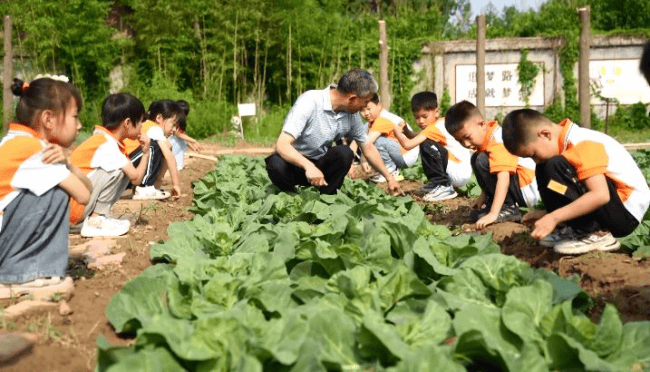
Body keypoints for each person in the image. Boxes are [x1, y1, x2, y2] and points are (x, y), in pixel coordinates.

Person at [502, 109, 650, 254]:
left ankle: (592, 233)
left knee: (553, 165)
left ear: (545, 134)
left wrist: (554, 217)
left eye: (533, 154)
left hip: (624, 213)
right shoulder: (563, 144)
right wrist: (546, 213)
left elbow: (601, 195)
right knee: (545, 168)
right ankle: (572, 229)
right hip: (610, 207)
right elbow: (570, 190)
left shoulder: (582, 143)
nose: (535, 160)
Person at [0, 77, 92, 299]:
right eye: (75, 116)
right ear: (48, 119)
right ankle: (21, 274)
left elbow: (87, 187)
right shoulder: (36, 151)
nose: (79, 125)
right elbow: (84, 194)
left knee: (56, 186)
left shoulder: (14, 140)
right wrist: (65, 166)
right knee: (58, 191)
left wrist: (68, 163)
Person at [265, 68, 403, 195]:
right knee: (275, 163)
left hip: (320, 165)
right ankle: (290, 196)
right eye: (365, 101)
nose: (365, 106)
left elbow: (367, 147)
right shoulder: (310, 101)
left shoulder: (351, 114)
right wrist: (307, 166)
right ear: (352, 99)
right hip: (295, 165)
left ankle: (327, 198)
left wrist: (389, 178)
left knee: (344, 152)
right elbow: (282, 144)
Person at [445, 101, 540, 229]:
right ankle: (494, 204)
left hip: (528, 190)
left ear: (482, 124)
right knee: (476, 158)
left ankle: (508, 208)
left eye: (467, 137)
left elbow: (503, 177)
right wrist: (483, 196)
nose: (466, 144)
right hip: (520, 188)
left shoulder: (498, 140)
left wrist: (493, 214)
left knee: (482, 160)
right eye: (460, 140)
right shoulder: (488, 138)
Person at [69, 93, 153, 237]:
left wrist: (145, 153)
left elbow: (135, 178)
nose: (142, 127)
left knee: (125, 168)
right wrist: (145, 154)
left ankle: (96, 218)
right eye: (140, 122)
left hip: (73, 206)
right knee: (122, 170)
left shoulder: (106, 140)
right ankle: (96, 220)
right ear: (127, 123)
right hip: (73, 209)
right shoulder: (107, 145)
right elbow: (135, 177)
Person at [393, 92, 472, 202]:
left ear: (436, 112)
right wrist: (406, 132)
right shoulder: (442, 123)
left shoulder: (433, 128)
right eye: (417, 117)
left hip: (458, 171)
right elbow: (419, 137)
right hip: (460, 169)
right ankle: (438, 184)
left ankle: (443, 185)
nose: (421, 121)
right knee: (426, 142)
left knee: (426, 145)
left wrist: (397, 133)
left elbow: (408, 145)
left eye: (425, 116)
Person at [124, 100, 182, 200]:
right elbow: (169, 157)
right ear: (159, 118)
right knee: (154, 146)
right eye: (173, 124)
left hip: (128, 171)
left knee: (162, 147)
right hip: (126, 166)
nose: (174, 130)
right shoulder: (154, 129)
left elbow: (167, 153)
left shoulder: (150, 128)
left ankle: (146, 188)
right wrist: (176, 184)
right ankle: (144, 187)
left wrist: (158, 183)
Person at [358, 93, 418, 183]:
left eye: (368, 109)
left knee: (378, 141)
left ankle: (391, 170)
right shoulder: (371, 123)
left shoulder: (381, 120)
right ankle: (385, 170)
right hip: (398, 154)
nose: (366, 113)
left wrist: (363, 160)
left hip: (405, 156)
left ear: (378, 106)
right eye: (361, 110)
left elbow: (368, 143)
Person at [169, 99, 203, 170]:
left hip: (175, 144)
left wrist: (192, 145)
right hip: (169, 143)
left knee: (183, 142)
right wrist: (194, 141)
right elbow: (177, 134)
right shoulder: (171, 120)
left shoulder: (181, 122)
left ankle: (178, 164)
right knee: (179, 142)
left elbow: (183, 136)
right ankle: (172, 163)